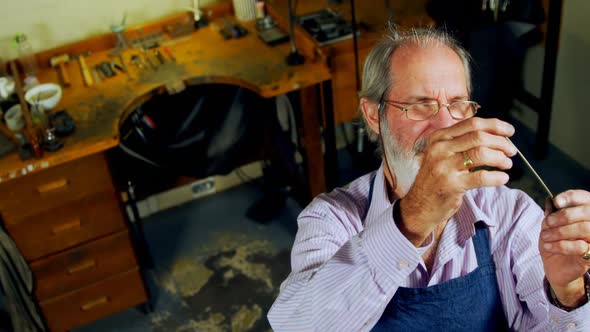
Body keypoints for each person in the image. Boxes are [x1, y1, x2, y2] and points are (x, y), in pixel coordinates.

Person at [267, 26, 590, 331]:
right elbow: (296, 325)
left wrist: (568, 292)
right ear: (372, 115)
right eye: (421, 106)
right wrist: (414, 216)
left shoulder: (509, 212)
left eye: (457, 104)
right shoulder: (332, 219)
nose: (445, 128)